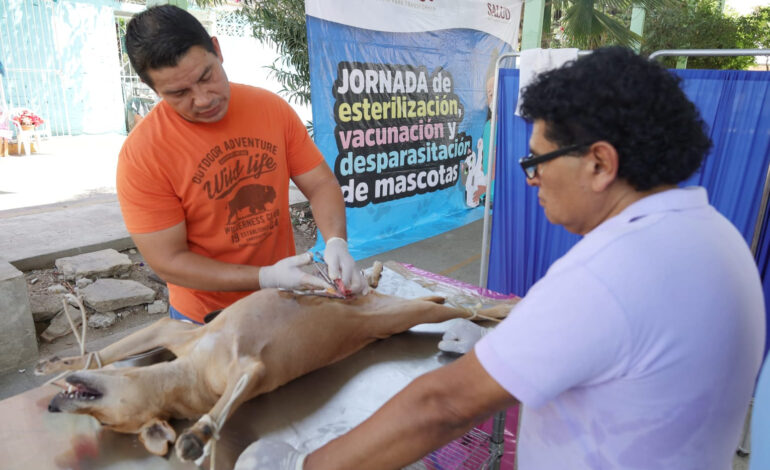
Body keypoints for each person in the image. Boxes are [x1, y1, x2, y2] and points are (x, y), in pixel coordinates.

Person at [235, 46, 766, 469]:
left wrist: (305, 465)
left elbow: (441, 407)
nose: (529, 177)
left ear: (600, 163)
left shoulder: (608, 273)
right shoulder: (716, 235)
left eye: (535, 158)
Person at [117, 5, 366, 325]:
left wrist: (335, 241)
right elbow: (168, 260)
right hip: (205, 318)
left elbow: (320, 185)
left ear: (217, 50)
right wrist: (265, 276)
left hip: (283, 301)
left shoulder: (270, 109)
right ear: (153, 89)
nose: (203, 99)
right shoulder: (143, 154)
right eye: (178, 93)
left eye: (206, 76)